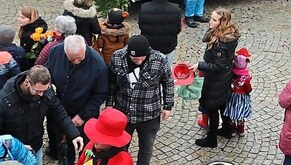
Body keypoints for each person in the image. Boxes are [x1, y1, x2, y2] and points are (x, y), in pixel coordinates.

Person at [107, 36, 174, 165]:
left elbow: (168, 82)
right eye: (134, 59)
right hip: (123, 112)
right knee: (120, 148)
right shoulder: (117, 57)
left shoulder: (159, 60)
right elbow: (111, 83)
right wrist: (109, 104)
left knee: (146, 149)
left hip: (149, 115)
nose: (138, 61)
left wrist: (168, 106)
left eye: (141, 58)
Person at [44, 35, 108, 163]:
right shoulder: (56, 52)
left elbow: (100, 94)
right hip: (57, 110)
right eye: (72, 59)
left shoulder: (98, 65)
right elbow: (47, 73)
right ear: (65, 51)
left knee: (82, 147)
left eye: (79, 58)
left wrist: (82, 116)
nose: (76, 62)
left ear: (84, 49)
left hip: (81, 114)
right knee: (60, 145)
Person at [0, 66, 83, 164]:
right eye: (38, 91)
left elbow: (58, 112)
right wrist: (15, 145)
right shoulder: (4, 101)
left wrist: (74, 134)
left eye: (44, 90)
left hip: (36, 145)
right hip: (14, 152)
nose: (41, 94)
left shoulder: (45, 91)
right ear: (27, 82)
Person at [193, 8, 240, 147]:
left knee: (212, 107)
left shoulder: (221, 43)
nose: (210, 21)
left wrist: (200, 65)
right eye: (211, 18)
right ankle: (226, 129)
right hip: (224, 78)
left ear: (222, 22)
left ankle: (211, 139)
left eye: (214, 20)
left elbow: (218, 66)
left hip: (216, 80)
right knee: (222, 104)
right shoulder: (227, 35)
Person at [138, 0, 182, 68]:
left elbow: (141, 27)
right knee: (167, 68)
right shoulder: (175, 8)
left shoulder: (144, 8)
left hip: (150, 47)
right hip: (168, 46)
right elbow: (178, 29)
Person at [225, 48, 253, 136]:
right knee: (240, 114)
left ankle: (232, 131)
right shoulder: (246, 78)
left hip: (232, 97)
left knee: (232, 114)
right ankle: (240, 131)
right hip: (241, 99)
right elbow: (248, 89)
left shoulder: (231, 75)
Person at [17, 6, 47, 71]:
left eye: (23, 17)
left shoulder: (28, 36)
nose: (19, 19)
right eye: (19, 16)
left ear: (31, 19)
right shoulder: (40, 26)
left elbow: (26, 55)